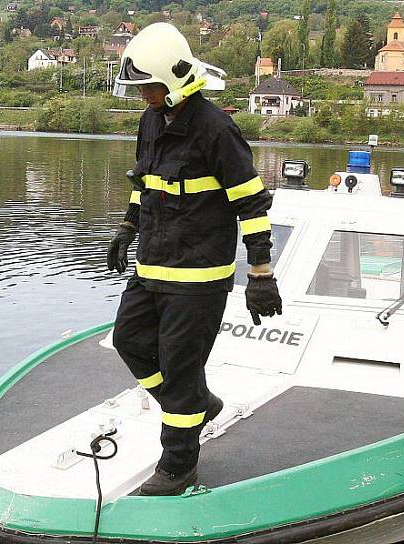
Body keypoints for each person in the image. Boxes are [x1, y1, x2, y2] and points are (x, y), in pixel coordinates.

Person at [106, 22, 282, 496]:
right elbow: (146, 183)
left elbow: (251, 202)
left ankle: (179, 465)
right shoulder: (151, 121)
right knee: (129, 340)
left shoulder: (216, 130)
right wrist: (127, 228)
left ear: (174, 79)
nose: (143, 94)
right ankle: (195, 404)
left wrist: (261, 274)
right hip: (153, 263)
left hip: (199, 275)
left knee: (180, 366)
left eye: (149, 85)